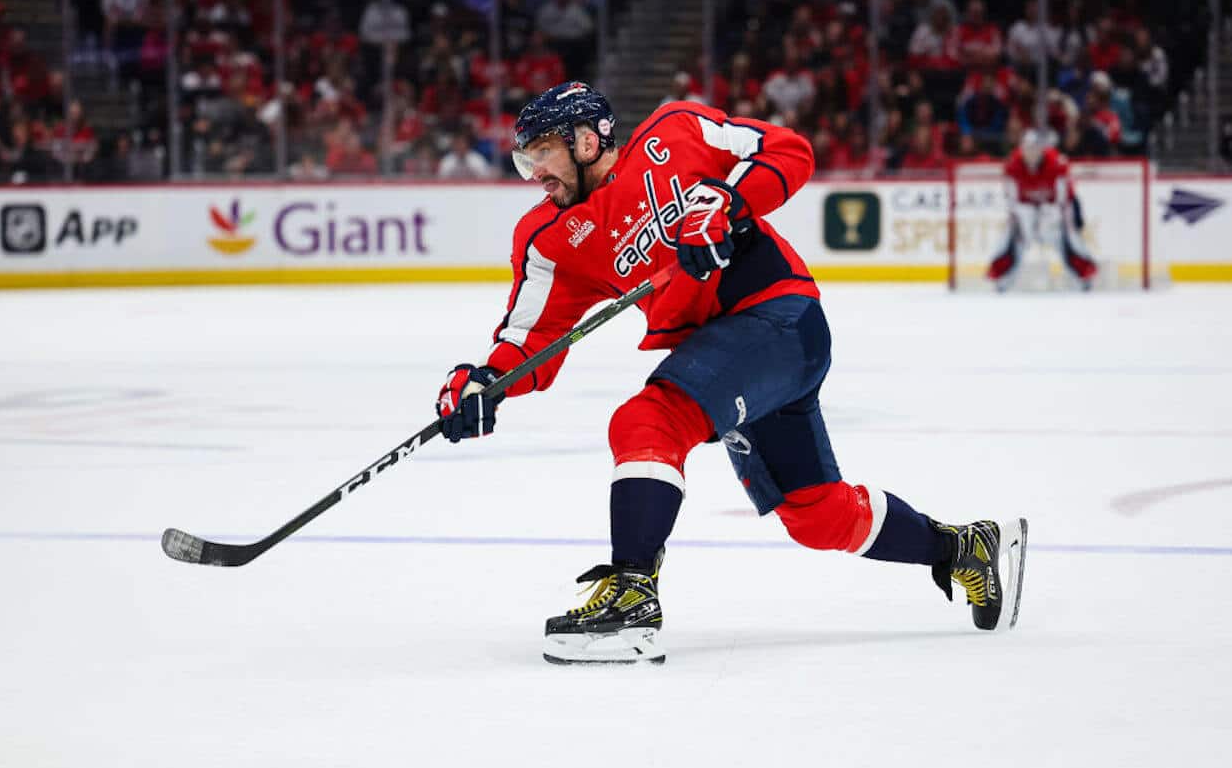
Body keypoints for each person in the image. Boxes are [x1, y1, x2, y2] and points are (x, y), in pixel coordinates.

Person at [434, 82, 1028, 664]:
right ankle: (963, 548)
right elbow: (529, 337)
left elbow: (788, 150)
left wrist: (726, 202)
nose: (534, 173)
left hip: (779, 319)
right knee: (818, 516)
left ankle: (632, 595)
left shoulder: (676, 133)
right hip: (728, 354)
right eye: (525, 159)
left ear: (588, 141)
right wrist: (486, 383)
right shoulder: (547, 238)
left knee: (649, 420)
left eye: (543, 154)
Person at [988, 129, 1096, 291]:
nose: (1030, 154)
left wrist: (1064, 223)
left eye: (1034, 149)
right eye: (1027, 149)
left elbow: (1064, 200)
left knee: (1067, 240)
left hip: (1054, 211)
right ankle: (1002, 278)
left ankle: (1083, 276)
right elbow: (1011, 200)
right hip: (1025, 210)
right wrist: (1018, 222)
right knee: (1015, 241)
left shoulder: (1056, 163)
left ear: (1041, 150)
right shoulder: (1013, 165)